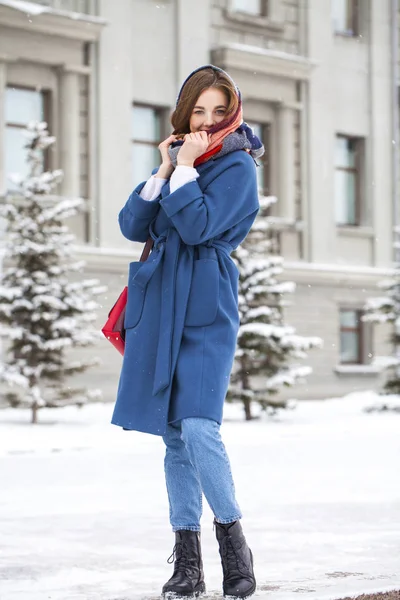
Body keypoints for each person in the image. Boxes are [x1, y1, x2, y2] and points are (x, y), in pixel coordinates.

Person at [112, 64, 264, 599]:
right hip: (159, 307)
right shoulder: (179, 161)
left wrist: (187, 169)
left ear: (233, 113)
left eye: (219, 111)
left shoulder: (239, 168)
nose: (207, 121)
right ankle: (189, 563)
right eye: (198, 110)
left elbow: (198, 226)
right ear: (184, 114)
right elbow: (133, 225)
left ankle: (233, 543)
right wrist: (164, 167)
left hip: (204, 303)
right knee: (174, 437)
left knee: (199, 426)